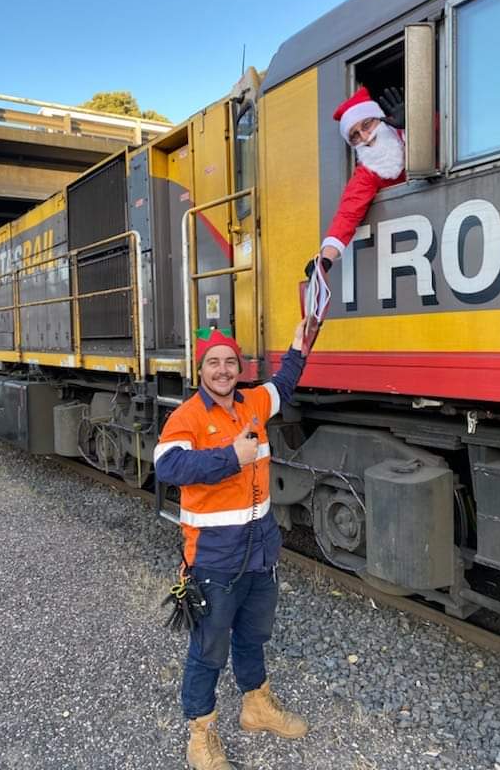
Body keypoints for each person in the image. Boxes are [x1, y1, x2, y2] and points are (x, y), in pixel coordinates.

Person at [154, 322, 310, 770]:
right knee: (208, 650)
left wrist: (300, 345)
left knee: (253, 635)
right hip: (214, 559)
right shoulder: (186, 417)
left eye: (229, 362)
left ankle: (256, 707)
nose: (222, 370)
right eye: (213, 363)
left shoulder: (254, 403)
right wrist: (230, 458)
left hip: (260, 551)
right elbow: (167, 466)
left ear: (239, 369)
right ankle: (200, 735)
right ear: (200, 369)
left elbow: (284, 383)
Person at [305, 85, 405, 278]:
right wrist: (324, 260)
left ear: (381, 119)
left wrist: (416, 125)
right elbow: (347, 214)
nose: (365, 138)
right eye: (355, 135)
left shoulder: (407, 134)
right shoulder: (367, 172)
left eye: (367, 125)